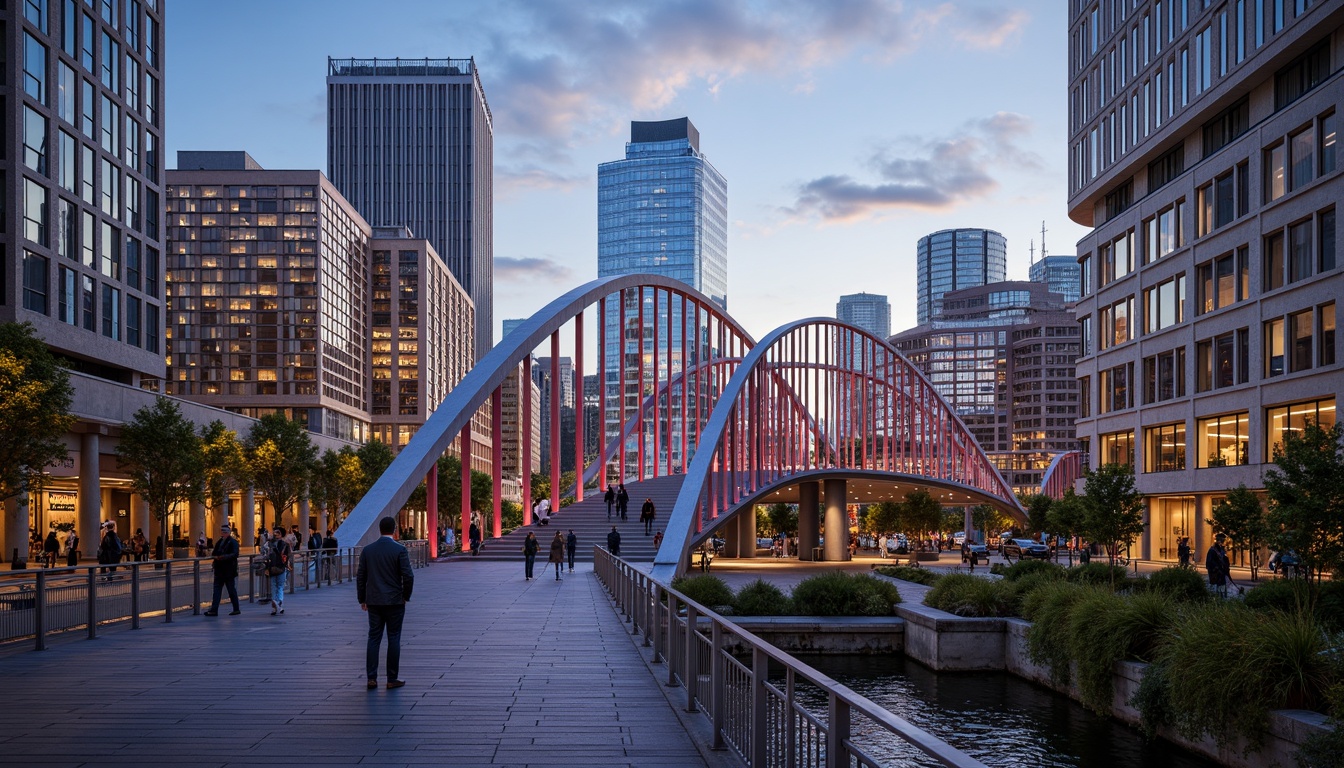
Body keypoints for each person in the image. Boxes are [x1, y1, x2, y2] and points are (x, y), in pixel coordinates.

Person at [357, 516, 414, 690]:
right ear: (395, 529)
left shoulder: (368, 550)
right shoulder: (400, 550)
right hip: (395, 601)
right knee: (393, 638)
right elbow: (408, 575)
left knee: (374, 638)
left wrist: (362, 599)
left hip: (374, 601)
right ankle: (391, 678)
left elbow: (361, 577)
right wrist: (405, 596)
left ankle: (371, 678)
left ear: (379, 529)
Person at [204, 523, 241, 616]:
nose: (223, 533)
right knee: (218, 590)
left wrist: (222, 557)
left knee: (230, 590)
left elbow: (235, 554)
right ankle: (214, 609)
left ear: (229, 532)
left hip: (228, 570)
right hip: (220, 569)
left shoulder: (232, 542)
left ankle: (235, 608)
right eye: (222, 531)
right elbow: (215, 552)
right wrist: (216, 557)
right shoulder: (220, 541)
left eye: (224, 531)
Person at [267, 525, 292, 615]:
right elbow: (289, 555)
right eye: (275, 533)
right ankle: (277, 604)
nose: (276, 535)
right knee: (277, 586)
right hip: (277, 567)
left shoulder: (272, 544)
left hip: (276, 567)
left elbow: (288, 556)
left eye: (277, 533)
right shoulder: (282, 544)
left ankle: (276, 604)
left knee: (277, 586)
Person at [1205, 533, 1232, 598]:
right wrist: (1216, 569)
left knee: (1222, 589)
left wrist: (1226, 569)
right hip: (1216, 574)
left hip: (1222, 574)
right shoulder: (1213, 550)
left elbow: (1225, 561)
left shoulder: (1221, 550)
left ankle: (1221, 599)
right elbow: (1209, 563)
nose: (1223, 542)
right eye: (1222, 540)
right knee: (1216, 590)